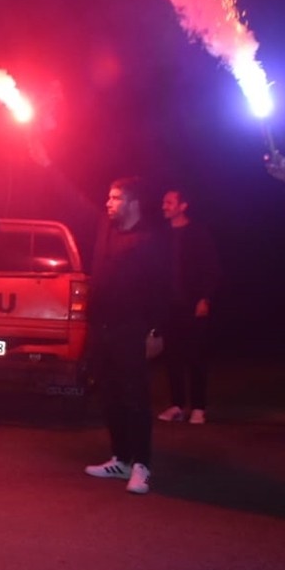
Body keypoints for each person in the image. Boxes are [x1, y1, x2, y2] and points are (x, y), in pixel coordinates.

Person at [81, 177, 169, 494]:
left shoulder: (149, 240)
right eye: (109, 196)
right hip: (102, 328)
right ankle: (121, 459)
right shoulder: (106, 227)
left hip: (131, 329)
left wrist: (157, 330)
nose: (108, 203)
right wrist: (47, 165)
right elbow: (73, 200)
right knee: (111, 396)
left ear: (132, 203)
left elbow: (162, 288)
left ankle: (141, 465)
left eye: (115, 197)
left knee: (135, 399)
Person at [157, 188, 221, 426]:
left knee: (196, 356)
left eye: (169, 202)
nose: (164, 206)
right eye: (164, 202)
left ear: (183, 206)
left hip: (193, 304)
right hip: (169, 306)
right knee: (172, 357)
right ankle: (176, 405)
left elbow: (212, 268)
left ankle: (198, 407)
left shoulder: (197, 233)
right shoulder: (161, 235)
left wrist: (205, 298)